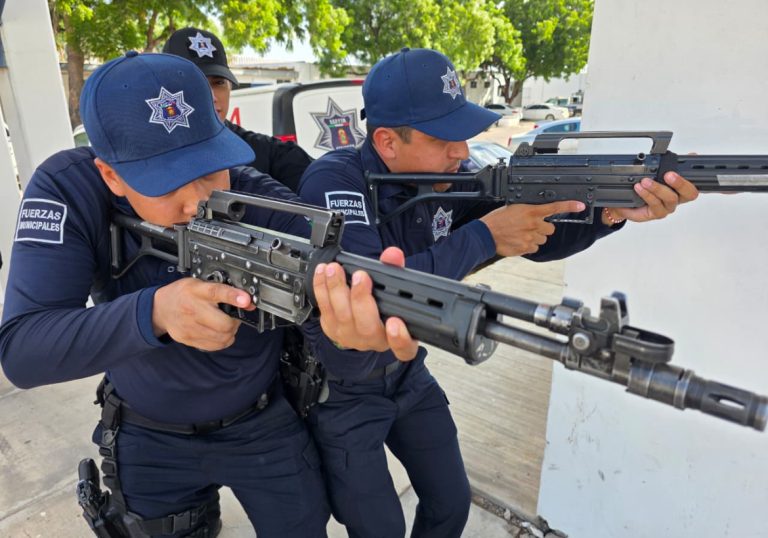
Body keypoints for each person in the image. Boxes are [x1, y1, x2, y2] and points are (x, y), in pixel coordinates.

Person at [0, 51, 416, 538]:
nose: (198, 199)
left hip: (263, 425)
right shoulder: (70, 188)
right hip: (146, 435)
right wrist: (154, 312)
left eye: (209, 168)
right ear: (112, 176)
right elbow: (22, 351)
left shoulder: (262, 201)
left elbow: (334, 335)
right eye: (167, 180)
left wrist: (356, 341)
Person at [297, 48, 699, 538]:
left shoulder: (449, 179)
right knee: (378, 527)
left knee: (450, 504)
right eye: (443, 138)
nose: (462, 152)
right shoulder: (335, 181)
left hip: (406, 373)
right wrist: (485, 236)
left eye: (462, 135)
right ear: (386, 141)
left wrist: (610, 211)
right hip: (342, 389)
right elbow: (368, 291)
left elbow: (537, 232)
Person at [162, 27, 312, 192]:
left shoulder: (274, 155)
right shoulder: (144, 160)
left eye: (218, 83)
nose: (211, 97)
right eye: (196, 84)